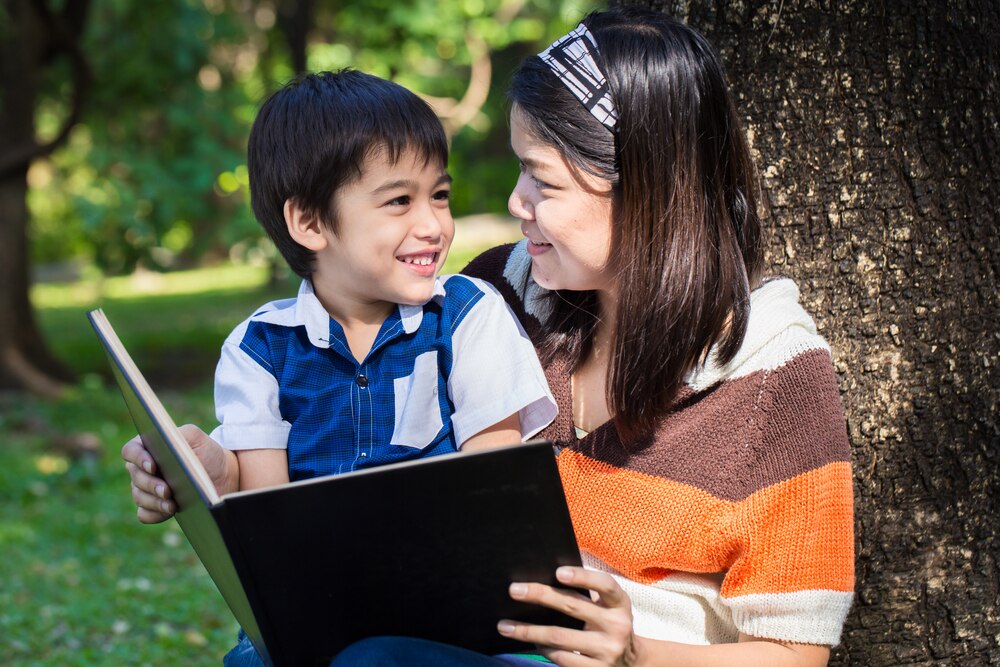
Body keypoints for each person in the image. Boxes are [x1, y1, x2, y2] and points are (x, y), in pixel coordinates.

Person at [125, 8, 855, 666]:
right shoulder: (498, 296)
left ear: (647, 189)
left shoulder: (773, 373)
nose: (515, 203)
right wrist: (214, 474)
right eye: (518, 170)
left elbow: (793, 656)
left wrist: (634, 651)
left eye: (544, 180)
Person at [122, 69, 557, 665]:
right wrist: (210, 470)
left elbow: (494, 499)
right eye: (399, 201)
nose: (432, 224)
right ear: (309, 222)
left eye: (440, 195)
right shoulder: (260, 349)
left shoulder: (465, 317)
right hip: (318, 618)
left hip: (461, 618)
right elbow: (268, 523)